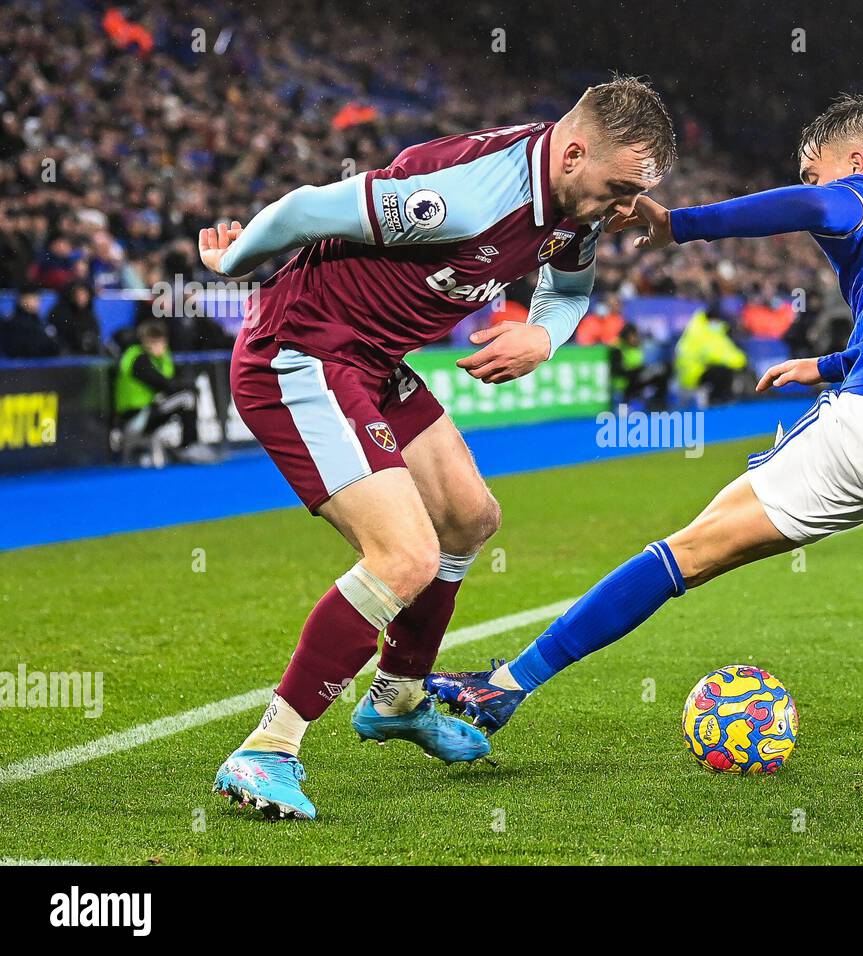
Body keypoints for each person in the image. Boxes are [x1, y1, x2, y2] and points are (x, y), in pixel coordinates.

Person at [430, 94, 863, 792]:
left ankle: (504, 686)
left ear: (858, 160)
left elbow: (815, 208)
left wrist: (679, 223)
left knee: (687, 550)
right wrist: (833, 363)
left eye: (813, 170)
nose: (810, 190)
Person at [202, 76, 677, 819]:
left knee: (468, 515)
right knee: (405, 557)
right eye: (620, 189)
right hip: (301, 352)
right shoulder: (468, 195)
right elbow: (302, 209)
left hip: (374, 363)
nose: (626, 210)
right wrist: (232, 267)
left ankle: (395, 700)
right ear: (575, 151)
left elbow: (569, 289)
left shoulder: (577, 201)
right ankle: (268, 747)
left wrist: (542, 335)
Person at [115, 320, 215, 464]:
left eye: (160, 341)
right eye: (153, 342)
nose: (158, 346)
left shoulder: (162, 357)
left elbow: (172, 381)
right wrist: (187, 387)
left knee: (186, 395)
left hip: (148, 413)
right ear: (144, 342)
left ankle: (186, 446)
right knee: (187, 397)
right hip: (133, 419)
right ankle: (189, 446)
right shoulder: (138, 359)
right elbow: (163, 384)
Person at [0, 284, 59, 358]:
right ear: (22, 300)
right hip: (24, 366)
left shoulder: (39, 321)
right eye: (32, 298)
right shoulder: (15, 323)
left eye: (37, 298)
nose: (37, 302)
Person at [48, 281, 103, 356]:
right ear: (72, 295)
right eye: (79, 294)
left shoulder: (88, 313)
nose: (82, 297)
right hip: (66, 353)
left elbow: (96, 333)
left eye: (84, 294)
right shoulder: (60, 313)